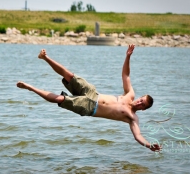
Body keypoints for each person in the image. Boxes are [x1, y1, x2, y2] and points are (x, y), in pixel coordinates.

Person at [17, 45, 161, 152]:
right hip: (93, 93)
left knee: (61, 99)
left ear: (143, 109)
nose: (140, 102)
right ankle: (45, 57)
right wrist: (128, 56)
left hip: (90, 107)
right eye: (141, 99)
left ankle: (30, 87)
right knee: (69, 76)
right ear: (140, 97)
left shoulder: (132, 118)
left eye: (143, 105)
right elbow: (126, 75)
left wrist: (148, 145)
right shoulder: (129, 94)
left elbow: (138, 136)